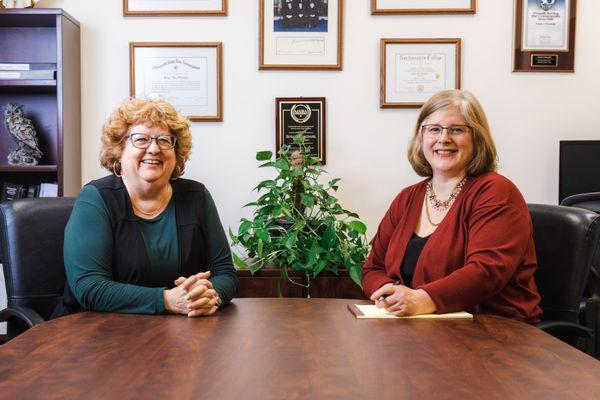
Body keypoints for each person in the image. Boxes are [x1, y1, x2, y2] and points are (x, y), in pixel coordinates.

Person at [362, 90, 541, 323]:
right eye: (434, 129)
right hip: (420, 329)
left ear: (477, 137)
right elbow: (373, 267)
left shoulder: (496, 192)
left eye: (457, 129)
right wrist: (389, 292)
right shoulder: (407, 198)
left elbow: (486, 272)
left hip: (491, 329)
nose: (443, 138)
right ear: (421, 137)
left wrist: (422, 299)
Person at [54, 97, 237, 318]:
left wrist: (208, 296)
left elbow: (225, 272)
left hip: (178, 334)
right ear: (119, 150)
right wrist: (168, 300)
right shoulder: (94, 199)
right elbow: (90, 287)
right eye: (140, 139)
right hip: (95, 334)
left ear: (175, 152)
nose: (154, 148)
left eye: (164, 140)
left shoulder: (197, 197)